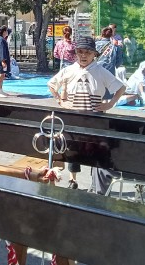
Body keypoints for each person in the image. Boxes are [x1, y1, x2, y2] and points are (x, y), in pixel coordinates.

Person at [48, 36, 126, 189]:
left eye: (88, 52)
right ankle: (73, 180)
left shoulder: (100, 71)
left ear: (94, 54)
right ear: (76, 53)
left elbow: (121, 87)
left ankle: (95, 184)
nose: (83, 55)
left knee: (96, 150)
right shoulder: (69, 70)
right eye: (80, 52)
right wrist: (61, 101)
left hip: (95, 119)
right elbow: (51, 84)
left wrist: (110, 104)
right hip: (74, 118)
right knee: (73, 150)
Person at [0, 25, 11, 97]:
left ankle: (0, 90)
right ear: (4, 32)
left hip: (2, 60)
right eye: (6, 30)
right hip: (1, 60)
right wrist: (3, 61)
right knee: (1, 75)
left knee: (3, 74)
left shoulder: (1, 39)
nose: (7, 32)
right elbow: (2, 51)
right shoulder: (1, 40)